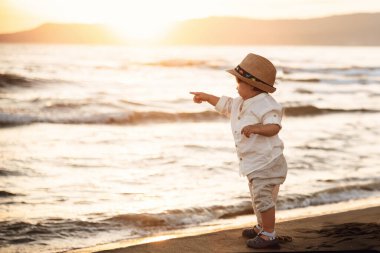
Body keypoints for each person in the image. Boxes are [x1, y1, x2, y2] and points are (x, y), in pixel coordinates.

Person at [190, 53, 287, 249]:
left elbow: (274, 127)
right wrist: (207, 97)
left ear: (252, 85)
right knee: (257, 197)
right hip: (254, 162)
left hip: (268, 161)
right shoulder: (240, 102)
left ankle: (269, 234)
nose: (236, 86)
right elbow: (224, 104)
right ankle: (262, 226)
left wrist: (255, 128)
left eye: (239, 82)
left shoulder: (267, 104)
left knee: (262, 197)